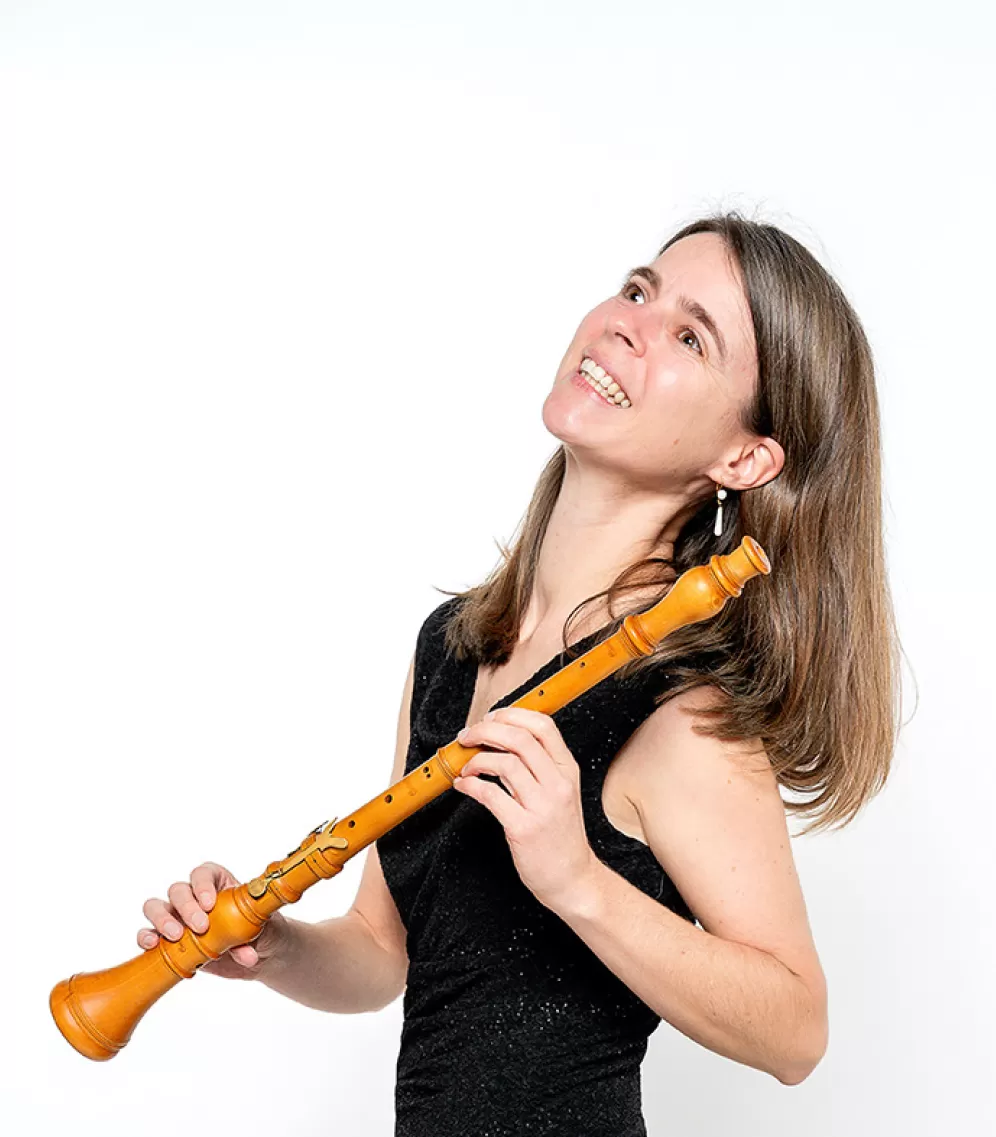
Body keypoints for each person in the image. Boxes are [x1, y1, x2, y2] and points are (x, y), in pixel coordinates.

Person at [137, 211, 902, 1136]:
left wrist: (576, 876)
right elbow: (385, 952)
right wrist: (275, 943)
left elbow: (798, 1030)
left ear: (741, 458)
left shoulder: (680, 709)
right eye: (637, 289)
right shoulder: (452, 647)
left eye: (691, 336)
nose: (630, 323)